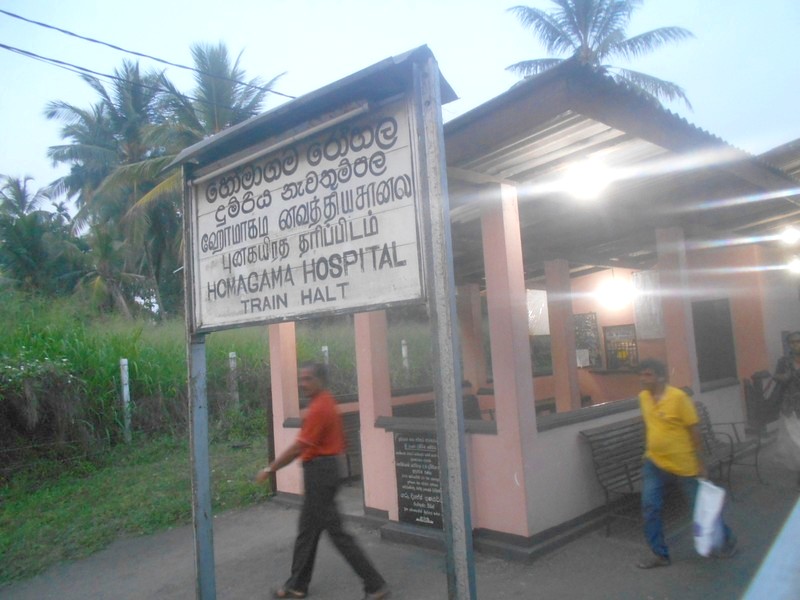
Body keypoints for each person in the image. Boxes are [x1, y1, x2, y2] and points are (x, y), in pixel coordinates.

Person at [256, 362, 389, 600]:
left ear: (320, 380)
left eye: (307, 379)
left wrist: (270, 468)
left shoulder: (320, 407)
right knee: (307, 532)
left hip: (321, 473)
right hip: (321, 471)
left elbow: (298, 447)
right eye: (301, 379)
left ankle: (375, 585)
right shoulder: (324, 401)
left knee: (337, 534)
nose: (302, 383)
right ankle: (297, 585)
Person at [635, 358, 736, 568]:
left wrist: (700, 462)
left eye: (648, 375)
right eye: (641, 375)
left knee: (701, 507)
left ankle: (726, 540)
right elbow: (650, 425)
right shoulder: (643, 397)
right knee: (650, 507)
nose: (643, 379)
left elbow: (694, 430)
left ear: (661, 377)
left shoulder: (678, 397)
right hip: (654, 463)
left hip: (684, 464)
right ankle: (660, 554)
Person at [772, 331, 800, 486]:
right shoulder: (784, 361)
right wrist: (784, 377)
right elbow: (776, 376)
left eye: (798, 341)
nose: (795, 345)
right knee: (796, 441)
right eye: (792, 342)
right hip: (791, 406)